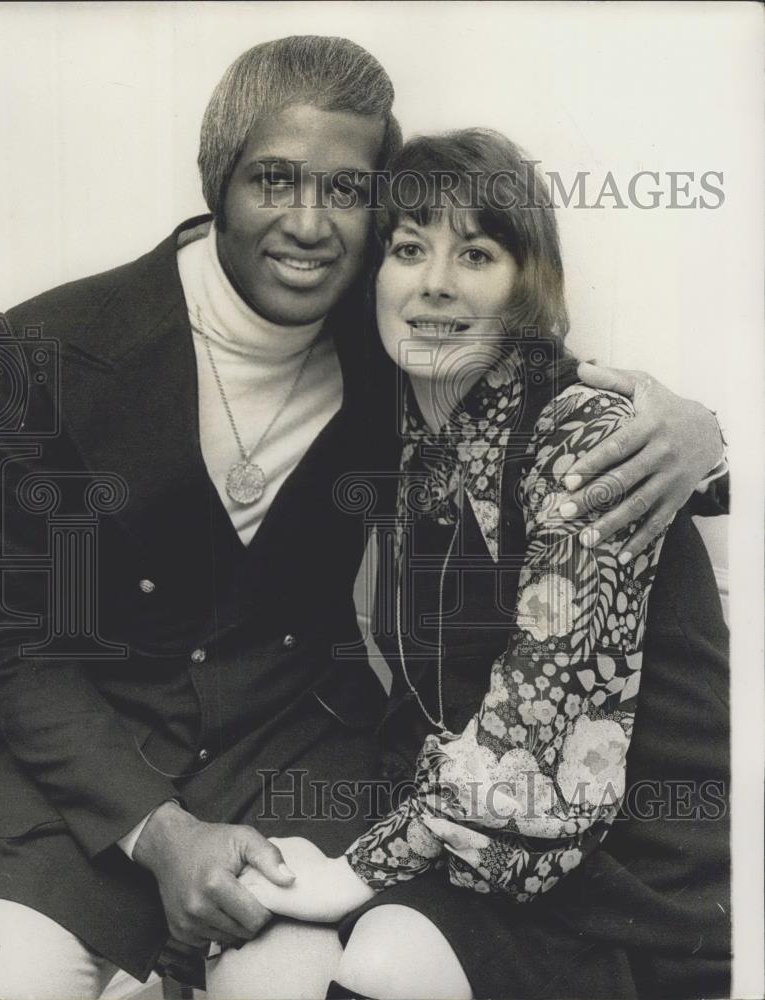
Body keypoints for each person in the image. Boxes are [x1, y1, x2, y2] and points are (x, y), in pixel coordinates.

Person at [0, 37, 727, 1000]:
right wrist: (159, 836)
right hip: (80, 796)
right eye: (274, 180)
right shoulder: (52, 348)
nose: (308, 223)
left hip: (296, 775)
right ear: (219, 183)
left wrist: (695, 429)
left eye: (346, 190)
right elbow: (18, 641)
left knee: (298, 985)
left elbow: (546, 399)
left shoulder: (399, 335)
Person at [234, 130, 730, 1000]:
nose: (435, 282)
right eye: (409, 248)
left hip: (627, 866)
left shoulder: (587, 437)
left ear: (524, 284)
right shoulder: (415, 432)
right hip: (476, 828)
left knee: (381, 954)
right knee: (263, 950)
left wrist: (358, 870)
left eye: (476, 252)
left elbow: (544, 721)